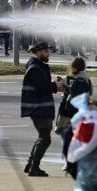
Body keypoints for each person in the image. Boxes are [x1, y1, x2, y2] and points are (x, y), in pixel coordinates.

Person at [21, 41, 66, 177]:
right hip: (38, 108)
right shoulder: (35, 68)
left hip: (41, 107)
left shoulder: (39, 66)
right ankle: (34, 168)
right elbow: (40, 88)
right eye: (46, 52)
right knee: (45, 138)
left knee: (43, 137)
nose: (49, 54)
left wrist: (54, 85)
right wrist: (55, 86)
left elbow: (43, 86)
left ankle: (30, 165)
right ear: (38, 52)